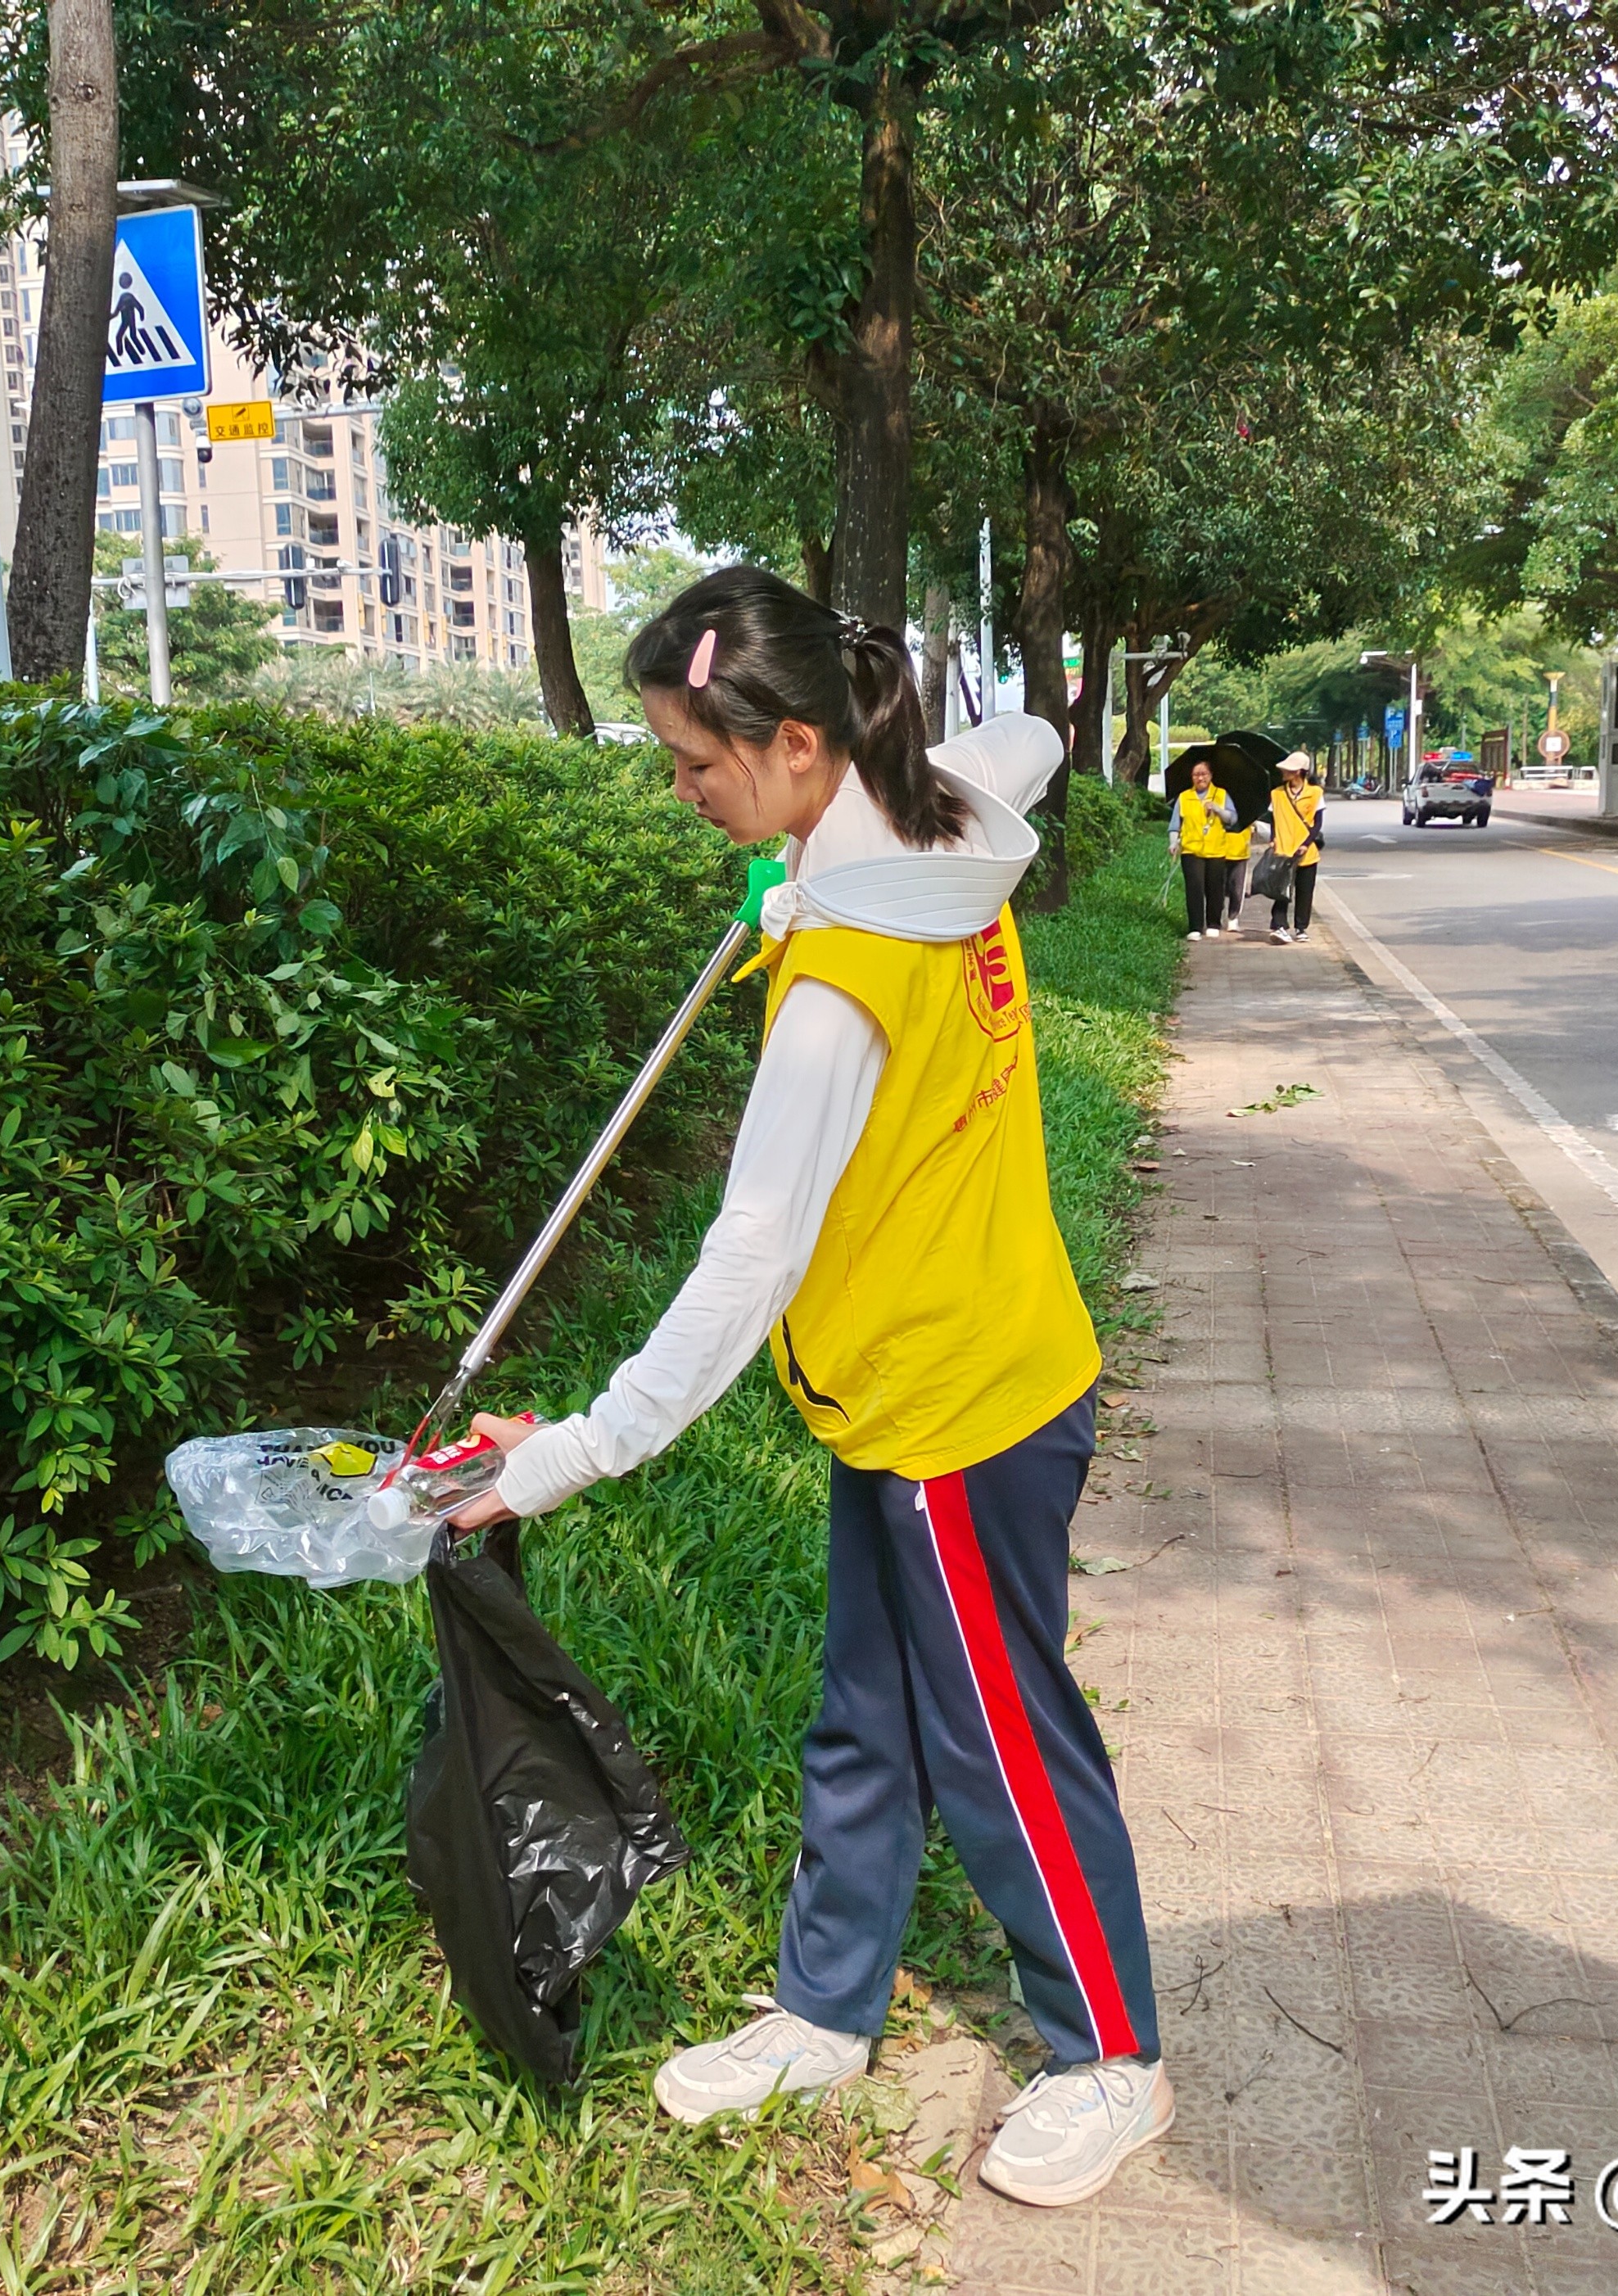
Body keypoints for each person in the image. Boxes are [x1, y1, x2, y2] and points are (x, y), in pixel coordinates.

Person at [447, 564, 1169, 2210]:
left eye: (696, 762)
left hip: (961, 1414)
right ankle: (831, 2003)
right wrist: (811, 866)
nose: (683, 791)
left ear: (789, 745)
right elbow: (1037, 739)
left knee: (998, 1739)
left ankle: (1111, 2054)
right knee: (864, 1717)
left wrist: (569, 1452)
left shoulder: (848, 974)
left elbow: (748, 1253)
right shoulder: (944, 824)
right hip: (913, 1391)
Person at [1172, 757, 1239, 938]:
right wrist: (1173, 843)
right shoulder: (1184, 797)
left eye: (1204, 774)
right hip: (1191, 850)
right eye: (1196, 775)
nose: (1200, 778)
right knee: (1194, 888)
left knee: (1215, 888)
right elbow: (1175, 824)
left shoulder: (1222, 795)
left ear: (1211, 776)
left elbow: (1232, 819)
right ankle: (1195, 927)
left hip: (1216, 849)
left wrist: (1217, 809)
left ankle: (1213, 924)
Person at [1263, 750, 1322, 942]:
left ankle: (1301, 928)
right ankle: (1279, 925)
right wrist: (1273, 838)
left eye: (1288, 769)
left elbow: (1317, 824)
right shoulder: (1277, 794)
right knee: (1281, 891)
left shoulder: (1315, 793)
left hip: (1306, 852)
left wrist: (1306, 844)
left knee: (1305, 891)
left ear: (1298, 771)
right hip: (1284, 850)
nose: (1283, 772)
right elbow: (1273, 819)